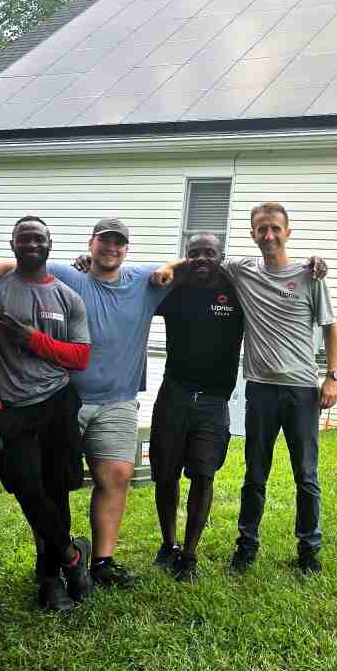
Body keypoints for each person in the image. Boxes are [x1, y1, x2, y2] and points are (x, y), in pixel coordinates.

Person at [0, 217, 169, 589]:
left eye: (119, 242)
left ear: (126, 249)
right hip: (58, 400)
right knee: (41, 484)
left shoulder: (142, 282)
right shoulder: (68, 274)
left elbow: (186, 265)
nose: (111, 248)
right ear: (90, 243)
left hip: (111, 400)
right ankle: (51, 566)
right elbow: (14, 264)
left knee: (108, 478)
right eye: (104, 241)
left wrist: (168, 269)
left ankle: (100, 562)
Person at [155, 202, 337, 576]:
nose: (268, 235)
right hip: (259, 388)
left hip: (302, 389)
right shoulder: (241, 271)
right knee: (255, 474)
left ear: (287, 232)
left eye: (275, 228)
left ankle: (309, 550)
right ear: (252, 234)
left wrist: (332, 376)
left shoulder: (310, 276)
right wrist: (167, 266)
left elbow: (331, 326)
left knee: (306, 474)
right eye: (261, 229)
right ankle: (246, 547)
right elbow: (198, 261)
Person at [0, 216, 93, 611]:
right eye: (24, 238)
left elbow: (80, 357)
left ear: (50, 244)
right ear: (12, 244)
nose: (31, 244)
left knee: (57, 489)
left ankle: (50, 580)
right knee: (27, 487)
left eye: (38, 238)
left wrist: (30, 338)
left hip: (58, 403)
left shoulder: (68, 297)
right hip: (12, 409)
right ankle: (72, 555)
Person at [147, 232, 245, 582]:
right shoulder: (175, 289)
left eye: (209, 252)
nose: (202, 258)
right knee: (166, 474)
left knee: (204, 476)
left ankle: (189, 555)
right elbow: (130, 290)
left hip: (213, 402)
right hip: (174, 395)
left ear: (222, 256)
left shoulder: (237, 291)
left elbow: (274, 279)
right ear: (185, 257)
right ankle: (168, 544)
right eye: (194, 253)